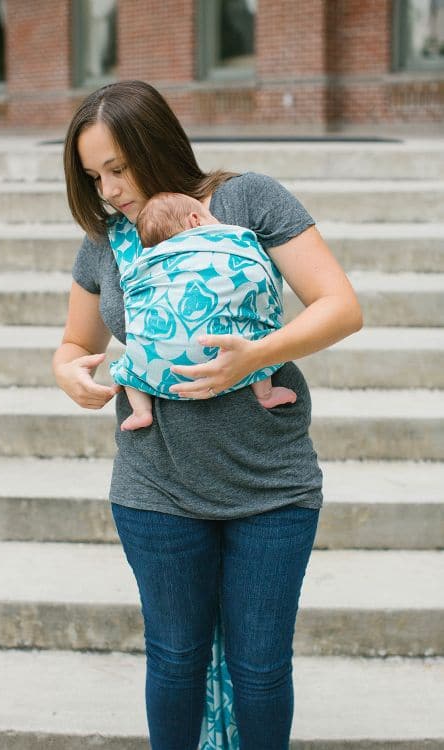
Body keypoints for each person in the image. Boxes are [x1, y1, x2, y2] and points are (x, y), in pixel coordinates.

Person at [54, 80, 363, 750]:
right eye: (91, 175)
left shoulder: (246, 199)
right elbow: (78, 342)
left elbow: (340, 306)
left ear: (154, 146)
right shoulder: (108, 239)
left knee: (259, 668)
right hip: (156, 487)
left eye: (117, 168)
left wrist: (255, 356)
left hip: (270, 485)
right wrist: (66, 369)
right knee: (173, 658)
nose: (106, 190)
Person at [111, 191, 297, 431]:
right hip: (228, 355)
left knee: (128, 370)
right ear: (195, 220)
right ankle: (265, 394)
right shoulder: (225, 241)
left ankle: (141, 411)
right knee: (255, 331)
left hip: (156, 370)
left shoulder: (145, 261)